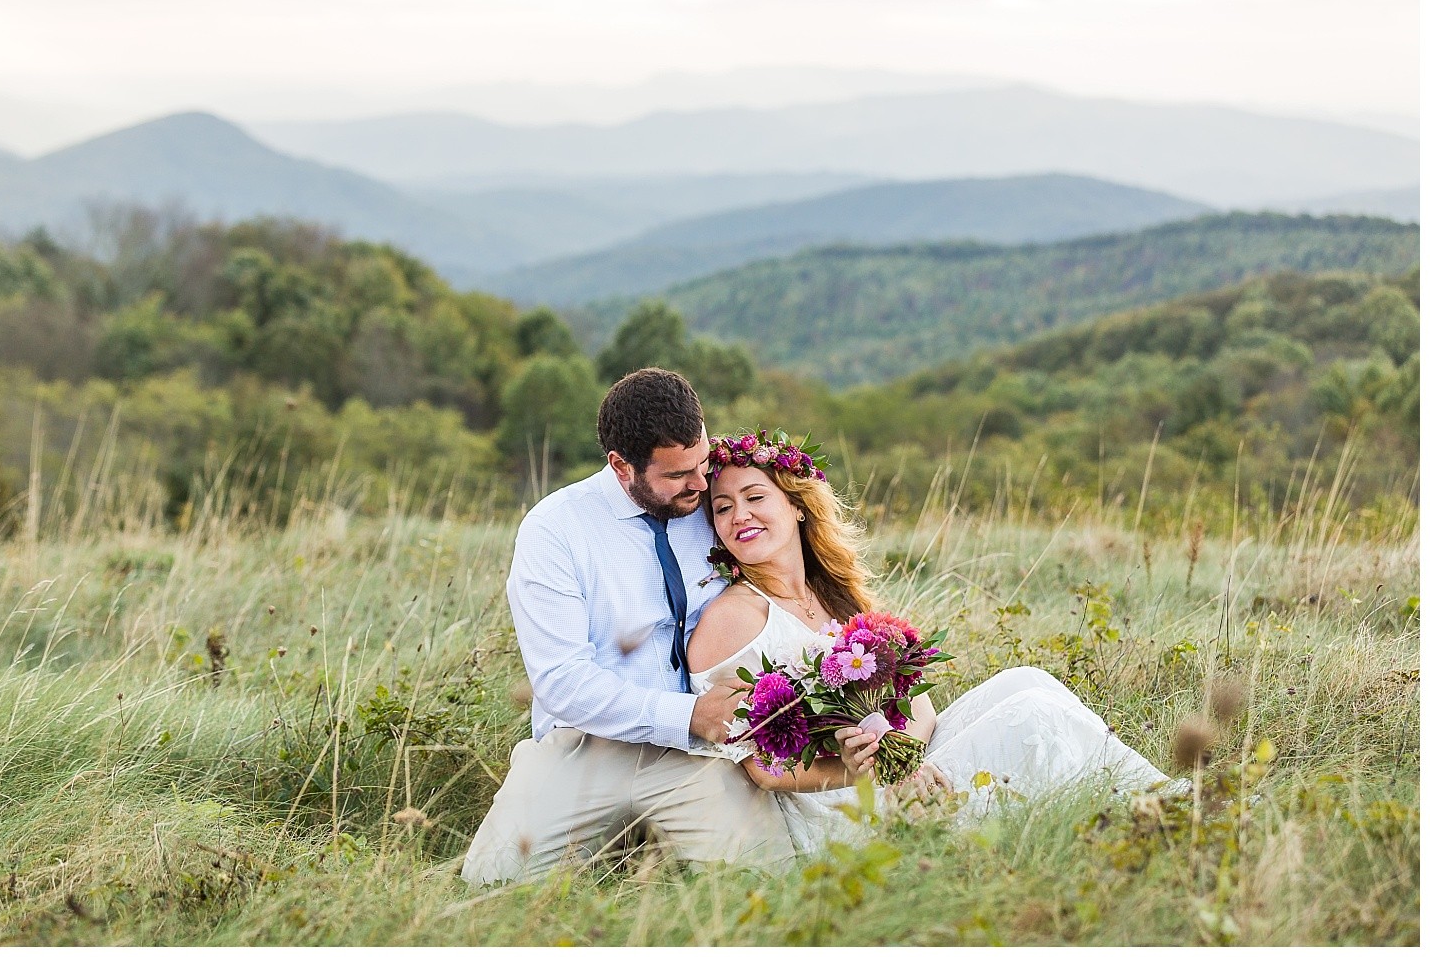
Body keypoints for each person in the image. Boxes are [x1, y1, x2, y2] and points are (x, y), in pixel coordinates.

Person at [686, 427, 1181, 853]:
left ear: (796, 506)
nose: (739, 517)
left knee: (1026, 679)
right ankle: (1167, 811)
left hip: (893, 773)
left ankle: (1161, 800)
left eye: (755, 498)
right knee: (1033, 714)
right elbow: (763, 769)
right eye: (723, 508)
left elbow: (919, 710)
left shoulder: (832, 597)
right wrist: (869, 774)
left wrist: (905, 763)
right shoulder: (732, 618)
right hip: (834, 810)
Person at [460, 371, 795, 885]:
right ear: (621, 466)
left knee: (769, 882)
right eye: (679, 474)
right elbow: (562, 682)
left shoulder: (713, 503)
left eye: (703, 462)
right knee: (493, 888)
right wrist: (688, 714)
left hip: (698, 755)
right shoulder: (556, 530)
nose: (701, 485)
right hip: (584, 750)